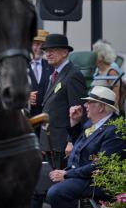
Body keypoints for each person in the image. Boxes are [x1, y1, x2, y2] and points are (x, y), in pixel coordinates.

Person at [45, 86, 125, 208]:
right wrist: (74, 122)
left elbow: (101, 165)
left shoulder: (115, 129)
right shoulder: (92, 123)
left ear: (101, 107)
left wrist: (67, 174)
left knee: (56, 193)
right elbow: (82, 144)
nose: (85, 105)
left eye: (90, 102)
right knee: (40, 183)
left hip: (96, 181)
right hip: (79, 173)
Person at [39, 34, 87, 170]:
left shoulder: (73, 75)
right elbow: (50, 107)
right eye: (46, 51)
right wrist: (44, 143)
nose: (47, 54)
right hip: (51, 143)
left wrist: (71, 141)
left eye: (52, 50)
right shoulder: (55, 74)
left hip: (63, 145)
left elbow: (79, 112)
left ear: (65, 52)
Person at [29, 29, 54, 135]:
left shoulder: (51, 66)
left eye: (40, 45)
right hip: (27, 119)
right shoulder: (20, 65)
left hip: (47, 120)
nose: (37, 48)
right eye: (34, 44)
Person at [91, 40, 122, 104]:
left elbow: (115, 98)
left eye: (94, 53)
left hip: (106, 111)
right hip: (96, 110)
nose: (92, 56)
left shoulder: (112, 72)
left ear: (101, 56)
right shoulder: (97, 71)